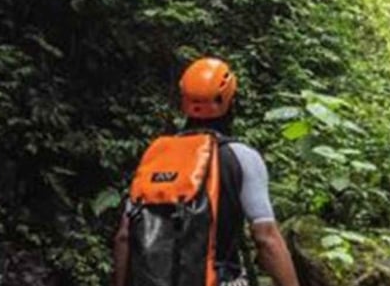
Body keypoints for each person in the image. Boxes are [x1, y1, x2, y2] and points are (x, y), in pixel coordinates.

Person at [113, 58, 301, 286]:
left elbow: (125, 236)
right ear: (231, 101)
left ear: (183, 102)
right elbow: (266, 238)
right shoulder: (240, 157)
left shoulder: (157, 155)